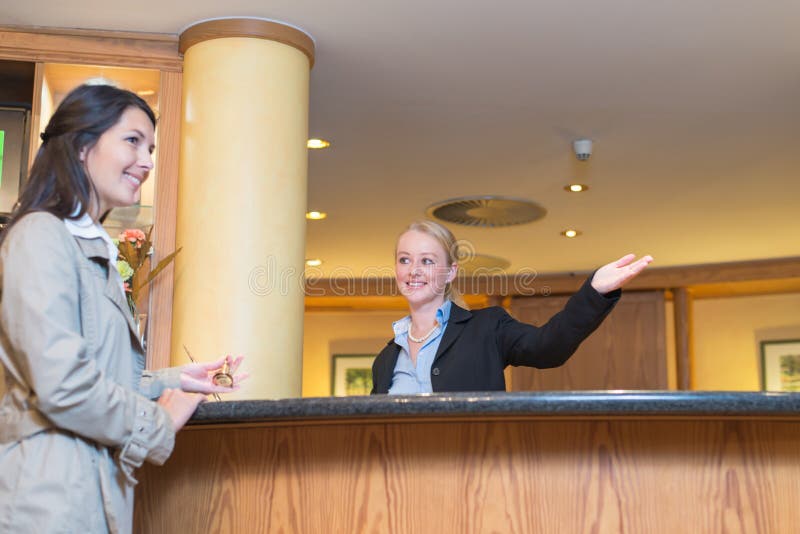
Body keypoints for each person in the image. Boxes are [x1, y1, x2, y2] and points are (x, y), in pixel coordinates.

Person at [0, 83, 244, 533]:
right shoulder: (40, 236)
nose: (148, 161)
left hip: (85, 493)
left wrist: (176, 380)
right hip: (46, 500)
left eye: (150, 147)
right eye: (132, 140)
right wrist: (160, 421)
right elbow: (63, 385)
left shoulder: (89, 249)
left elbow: (95, 370)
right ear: (80, 144)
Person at [371, 220, 653, 394]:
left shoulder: (486, 328)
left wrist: (594, 292)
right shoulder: (385, 359)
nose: (414, 271)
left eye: (427, 261)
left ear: (450, 272)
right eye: (405, 260)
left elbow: (548, 347)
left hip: (476, 482)